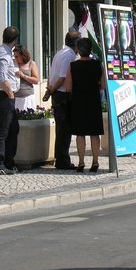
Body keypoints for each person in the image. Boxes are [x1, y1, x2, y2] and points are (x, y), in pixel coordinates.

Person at [64, 37, 106, 172]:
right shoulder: (98, 64)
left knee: (80, 134)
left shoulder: (73, 65)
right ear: (90, 49)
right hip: (93, 100)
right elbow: (103, 85)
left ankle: (81, 162)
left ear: (79, 50)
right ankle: (95, 162)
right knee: (95, 133)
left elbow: (68, 87)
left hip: (78, 101)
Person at [45, 30, 80, 170]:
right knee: (64, 130)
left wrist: (49, 90)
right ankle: (62, 160)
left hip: (57, 93)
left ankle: (61, 158)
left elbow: (51, 75)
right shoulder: (69, 55)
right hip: (62, 95)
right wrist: (52, 90)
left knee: (62, 129)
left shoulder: (60, 53)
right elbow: (62, 77)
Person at [0, 26, 20, 175]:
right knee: (3, 131)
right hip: (4, 95)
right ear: (15, 39)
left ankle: (8, 161)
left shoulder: (2, 51)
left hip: (4, 94)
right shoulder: (4, 54)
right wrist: (11, 95)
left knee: (13, 129)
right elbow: (2, 78)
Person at [13, 45, 39, 112]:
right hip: (15, 97)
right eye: (14, 56)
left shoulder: (31, 64)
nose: (15, 58)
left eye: (17, 56)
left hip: (27, 96)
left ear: (23, 55)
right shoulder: (13, 63)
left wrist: (23, 76)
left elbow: (36, 80)